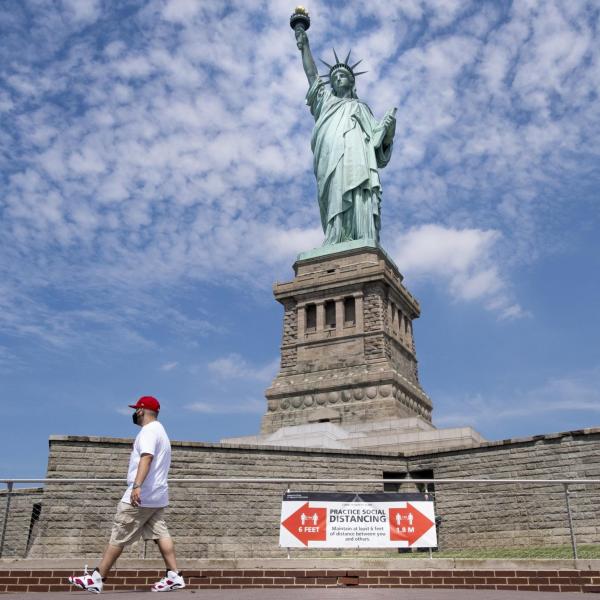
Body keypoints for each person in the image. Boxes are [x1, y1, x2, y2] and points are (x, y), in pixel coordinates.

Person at [68, 396, 185, 593]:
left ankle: (97, 578)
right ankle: (174, 575)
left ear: (141, 410)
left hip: (142, 495)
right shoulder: (161, 431)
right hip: (157, 496)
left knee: (119, 533)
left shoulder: (148, 432)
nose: (134, 413)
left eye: (136, 409)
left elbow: (146, 458)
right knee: (160, 532)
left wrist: (136, 486)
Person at [295, 27, 397, 245]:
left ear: (352, 81)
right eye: (334, 77)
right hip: (330, 157)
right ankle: (335, 236)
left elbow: (378, 146)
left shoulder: (361, 108)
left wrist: (387, 131)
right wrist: (305, 46)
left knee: (359, 190)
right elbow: (312, 76)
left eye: (342, 75)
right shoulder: (326, 103)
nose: (338, 79)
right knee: (334, 192)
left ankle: (361, 235)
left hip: (357, 157)